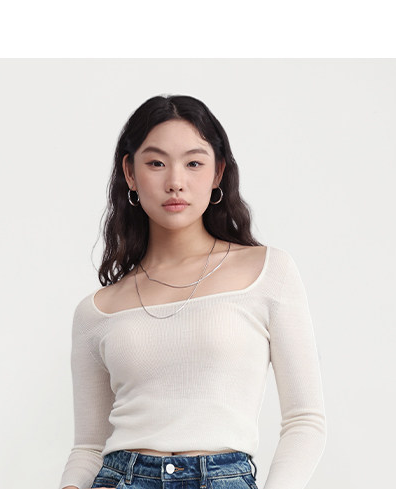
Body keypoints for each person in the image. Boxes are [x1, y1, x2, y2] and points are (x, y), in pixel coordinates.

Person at [58, 94, 326, 489]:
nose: (175, 182)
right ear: (130, 173)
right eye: (156, 163)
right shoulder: (96, 311)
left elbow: (306, 420)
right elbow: (88, 448)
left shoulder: (267, 272)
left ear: (218, 172)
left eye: (194, 163)